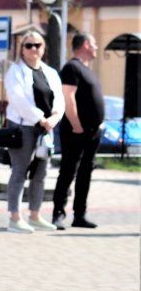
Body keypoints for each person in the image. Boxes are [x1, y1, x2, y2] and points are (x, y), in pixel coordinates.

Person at [3, 34, 64, 233]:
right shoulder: (16, 71)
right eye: (28, 45)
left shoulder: (50, 72)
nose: (33, 49)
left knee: (41, 173)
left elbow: (59, 99)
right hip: (24, 127)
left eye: (37, 45)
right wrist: (40, 118)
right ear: (22, 49)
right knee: (20, 171)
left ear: (43, 48)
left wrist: (54, 118)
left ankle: (35, 214)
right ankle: (14, 217)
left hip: (45, 129)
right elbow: (18, 99)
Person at [52, 33, 103, 230]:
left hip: (92, 132)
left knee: (85, 173)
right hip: (76, 130)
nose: (97, 47)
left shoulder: (88, 70)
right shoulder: (72, 68)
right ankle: (58, 213)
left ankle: (79, 215)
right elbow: (68, 97)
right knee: (68, 171)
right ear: (86, 44)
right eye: (94, 44)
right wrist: (76, 125)